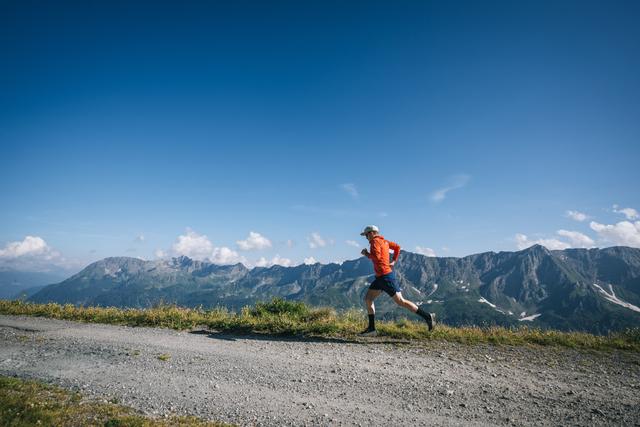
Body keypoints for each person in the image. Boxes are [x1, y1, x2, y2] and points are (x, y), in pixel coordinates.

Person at [358, 225, 435, 336]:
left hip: (385, 277)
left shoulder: (375, 242)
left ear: (371, 233)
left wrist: (367, 254)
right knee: (368, 299)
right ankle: (372, 329)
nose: (366, 237)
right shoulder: (385, 242)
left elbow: (377, 257)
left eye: (366, 235)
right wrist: (393, 260)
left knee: (400, 301)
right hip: (380, 277)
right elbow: (398, 247)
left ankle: (427, 316)